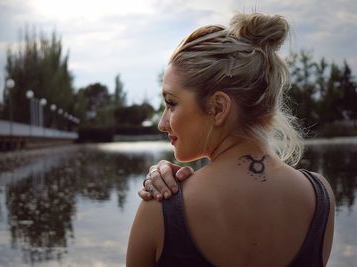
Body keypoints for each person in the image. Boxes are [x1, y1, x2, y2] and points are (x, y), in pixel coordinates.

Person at [126, 12, 335, 267]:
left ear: (218, 108)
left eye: (171, 103)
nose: (162, 123)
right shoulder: (320, 198)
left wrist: (171, 201)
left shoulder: (159, 209)